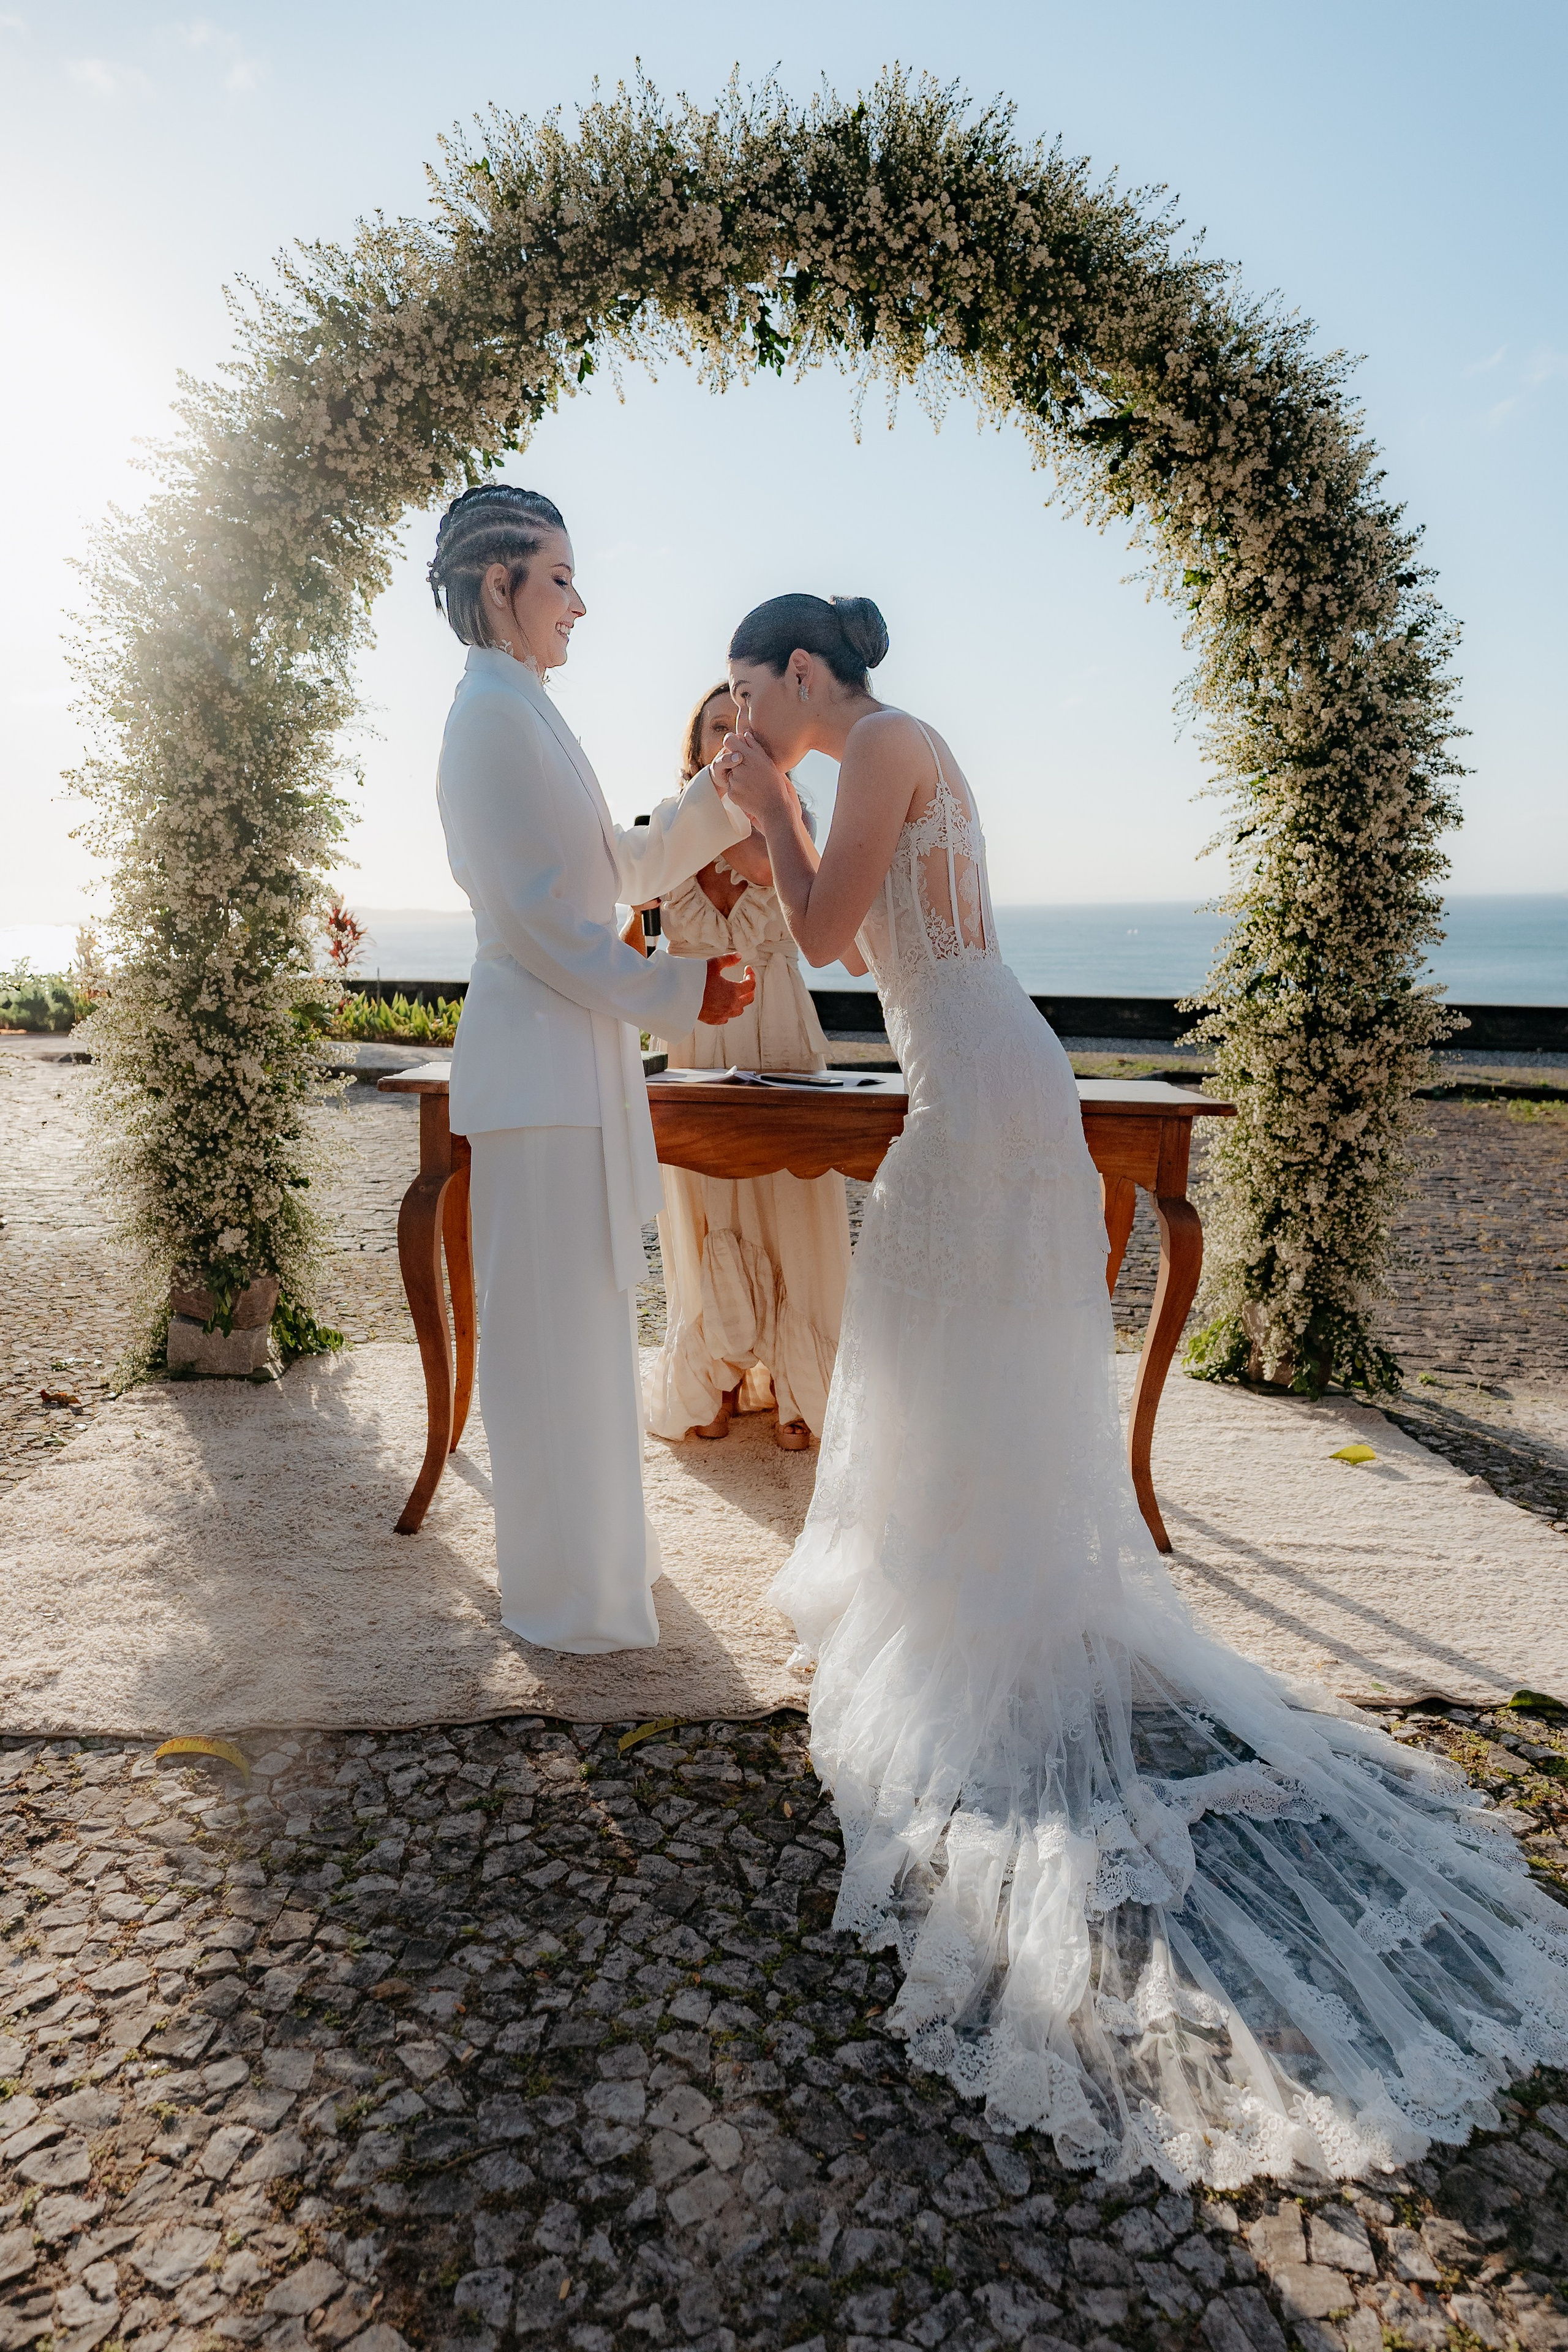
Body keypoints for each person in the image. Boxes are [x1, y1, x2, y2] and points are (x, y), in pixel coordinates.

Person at [717, 591, 1568, 2185]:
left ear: (803, 675)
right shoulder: (879, 751)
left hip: (982, 1083)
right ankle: (955, 1570)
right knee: (940, 1341)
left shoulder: (880, 744)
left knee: (942, 1335)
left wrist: (764, 801)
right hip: (974, 1073)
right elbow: (843, 928)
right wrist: (765, 808)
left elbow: (825, 938)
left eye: (747, 687)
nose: (740, 710)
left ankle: (979, 1604)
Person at [428, 486, 755, 1654]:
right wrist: (679, 993)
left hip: (571, 1067)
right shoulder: (489, 720)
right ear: (498, 584)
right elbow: (537, 922)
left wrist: (715, 798)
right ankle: (568, 1598)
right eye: (560, 579)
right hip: (537, 1073)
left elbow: (611, 867)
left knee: (585, 1334)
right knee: (547, 1345)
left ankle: (607, 1567)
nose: (579, 604)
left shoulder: (524, 710)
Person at [641, 683, 853, 1449]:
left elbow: (767, 871)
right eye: (717, 728)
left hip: (778, 1030)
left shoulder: (791, 820)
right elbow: (635, 908)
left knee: (791, 1201)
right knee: (707, 1205)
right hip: (698, 1035)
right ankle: (717, 1380)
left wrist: (719, 820)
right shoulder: (666, 826)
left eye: (743, 727)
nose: (730, 738)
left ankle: (802, 1385)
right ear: (697, 747)